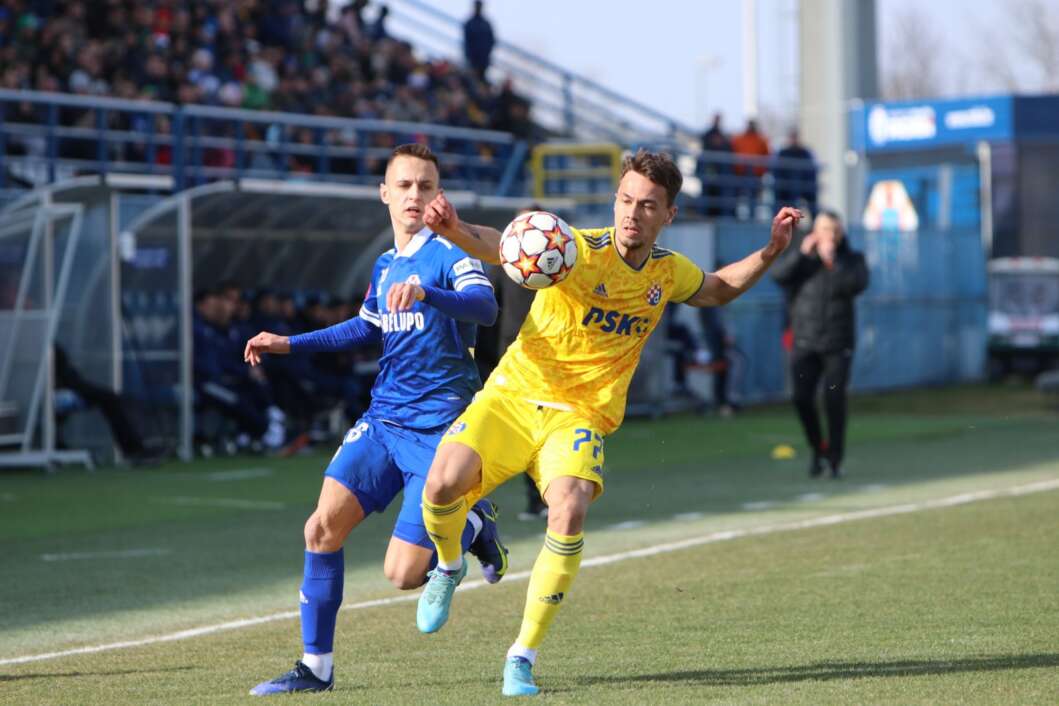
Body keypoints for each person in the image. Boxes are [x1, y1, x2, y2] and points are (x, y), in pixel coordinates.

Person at [415, 149, 800, 697]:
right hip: (513, 396)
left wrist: (770, 251)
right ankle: (450, 566)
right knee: (441, 483)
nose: (632, 213)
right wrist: (453, 228)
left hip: (580, 415)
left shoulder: (668, 272)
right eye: (625, 200)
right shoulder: (574, 250)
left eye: (647, 205)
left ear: (667, 215)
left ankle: (521, 656)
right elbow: (502, 246)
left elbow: (717, 289)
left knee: (568, 511)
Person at [244, 144, 509, 696]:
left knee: (402, 576)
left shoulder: (454, 253)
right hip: (384, 421)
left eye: (427, 186)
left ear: (440, 195)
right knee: (320, 529)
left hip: (441, 428)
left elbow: (485, 310)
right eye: (406, 185)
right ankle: (316, 668)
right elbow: (366, 328)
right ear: (384, 193)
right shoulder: (386, 263)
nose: (416, 195)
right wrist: (286, 343)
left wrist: (430, 293)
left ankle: (474, 524)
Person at [770, 209, 869, 479]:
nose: (830, 236)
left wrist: (832, 262)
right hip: (805, 341)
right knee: (801, 398)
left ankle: (835, 459)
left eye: (834, 231)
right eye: (825, 229)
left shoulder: (851, 259)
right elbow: (778, 276)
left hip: (838, 343)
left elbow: (857, 284)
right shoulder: (802, 258)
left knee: (834, 398)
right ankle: (819, 449)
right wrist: (803, 254)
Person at [696, 113, 735, 218]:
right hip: (709, 169)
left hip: (720, 172)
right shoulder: (708, 135)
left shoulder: (723, 136)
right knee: (707, 193)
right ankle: (703, 215)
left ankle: (715, 215)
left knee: (719, 194)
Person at [731, 119, 770, 218]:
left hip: (755, 173)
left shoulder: (761, 140)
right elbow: (733, 152)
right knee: (738, 195)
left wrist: (762, 170)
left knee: (753, 197)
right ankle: (736, 215)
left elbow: (767, 156)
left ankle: (752, 216)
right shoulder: (739, 138)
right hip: (741, 172)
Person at [774, 128, 818, 216]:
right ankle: (782, 219)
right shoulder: (783, 152)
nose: (794, 139)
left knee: (811, 193)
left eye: (795, 137)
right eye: (792, 137)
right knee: (782, 194)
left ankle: (814, 220)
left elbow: (811, 170)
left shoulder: (805, 152)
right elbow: (777, 170)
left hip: (802, 185)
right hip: (786, 186)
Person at [463, 1, 495, 82]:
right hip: (472, 59)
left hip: (483, 59)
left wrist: (487, 53)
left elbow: (492, 40)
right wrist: (469, 56)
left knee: (481, 80)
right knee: (472, 81)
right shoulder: (469, 23)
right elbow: (467, 42)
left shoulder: (486, 24)